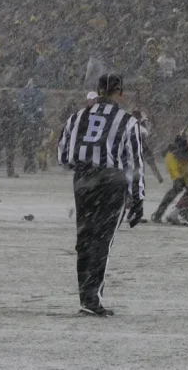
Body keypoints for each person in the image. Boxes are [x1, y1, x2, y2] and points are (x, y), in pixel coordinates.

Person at [57, 73, 145, 317]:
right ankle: (92, 298)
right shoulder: (127, 121)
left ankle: (86, 297)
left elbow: (63, 157)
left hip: (84, 180)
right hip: (110, 181)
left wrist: (85, 167)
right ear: (120, 93)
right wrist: (138, 199)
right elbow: (134, 162)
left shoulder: (77, 117)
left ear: (98, 90)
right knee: (102, 241)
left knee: (84, 239)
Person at [0, 89, 19, 178]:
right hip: (4, 131)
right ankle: (1, 170)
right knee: (5, 152)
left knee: (0, 152)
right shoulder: (8, 106)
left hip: (2, 131)